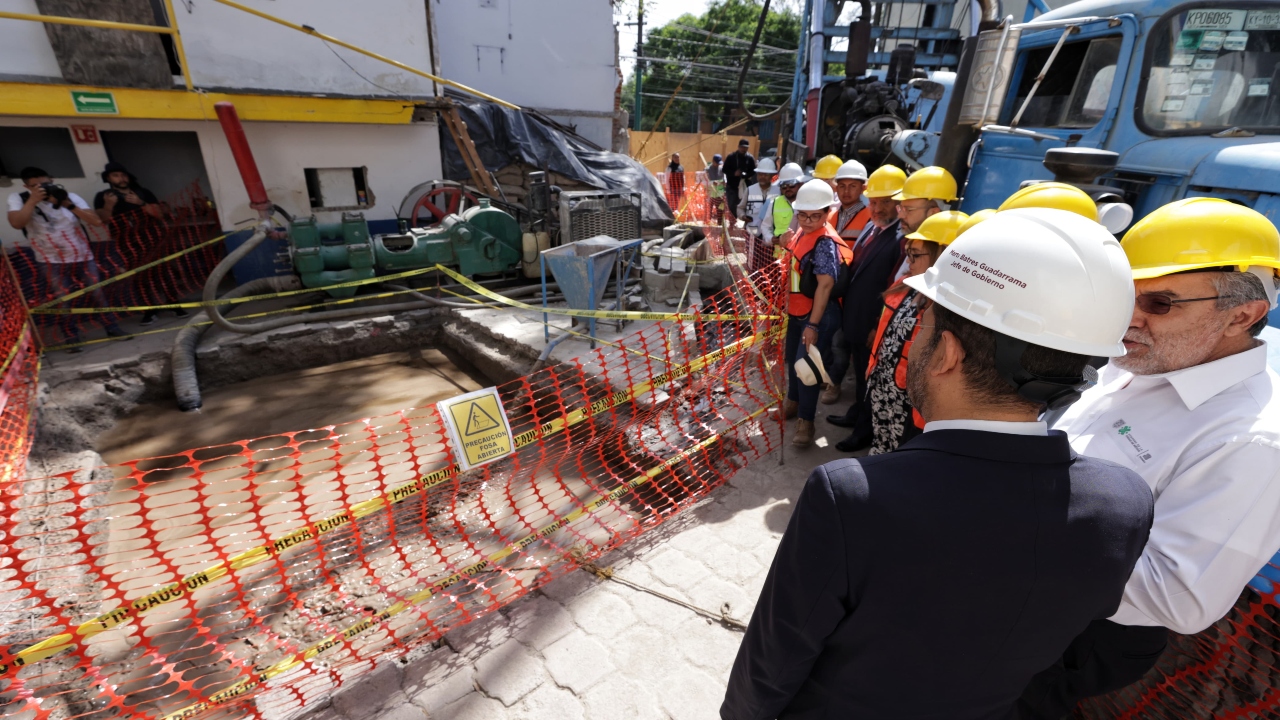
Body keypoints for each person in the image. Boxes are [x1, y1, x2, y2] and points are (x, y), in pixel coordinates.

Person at [723, 208, 1153, 720]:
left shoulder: (851, 500)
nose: (913, 340)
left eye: (921, 327)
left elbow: (773, 662)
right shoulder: (1125, 504)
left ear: (946, 353)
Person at [1018, 198, 1280, 717]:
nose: (1129, 319)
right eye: (1127, 296)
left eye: (1159, 304)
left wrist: (1019, 527)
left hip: (1074, 636)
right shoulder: (1157, 357)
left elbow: (1177, 597)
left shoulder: (1252, 441)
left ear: (1243, 315)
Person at [863, 210, 967, 454]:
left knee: (902, 452)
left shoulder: (948, 308)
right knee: (882, 442)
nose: (908, 261)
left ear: (941, 256)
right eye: (907, 252)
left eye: (915, 254)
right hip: (884, 384)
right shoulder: (907, 285)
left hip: (909, 398)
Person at [825, 165, 908, 445]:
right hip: (855, 316)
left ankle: (863, 432)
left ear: (899, 204)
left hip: (872, 322)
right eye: (874, 201)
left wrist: (876, 326)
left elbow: (892, 289)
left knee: (869, 378)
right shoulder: (872, 227)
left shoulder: (900, 240)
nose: (878, 208)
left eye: (886, 202)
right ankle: (856, 414)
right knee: (860, 375)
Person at [7, 166, 125, 350]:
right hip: (50, 260)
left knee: (98, 294)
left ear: (52, 180)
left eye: (45, 184)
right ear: (26, 187)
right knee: (64, 300)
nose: (42, 188)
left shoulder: (69, 197)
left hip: (83, 256)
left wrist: (68, 204)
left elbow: (96, 221)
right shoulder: (19, 199)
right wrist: (33, 200)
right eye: (34, 185)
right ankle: (71, 337)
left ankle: (112, 327)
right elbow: (16, 223)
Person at [781, 179, 853, 448]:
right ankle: (793, 402)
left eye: (815, 216)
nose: (808, 220)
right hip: (797, 312)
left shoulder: (824, 243)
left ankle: (806, 422)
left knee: (807, 370)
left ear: (826, 214)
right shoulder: (800, 233)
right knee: (793, 361)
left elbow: (825, 285)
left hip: (817, 316)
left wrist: (812, 325)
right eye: (803, 215)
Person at [890, 165, 958, 282]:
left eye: (909, 210)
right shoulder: (913, 244)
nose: (900, 215)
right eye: (901, 208)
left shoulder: (943, 257)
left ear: (933, 213)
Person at [94, 162, 161, 222]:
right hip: (123, 234)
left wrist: (141, 202)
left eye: (124, 175)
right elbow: (103, 221)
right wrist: (108, 205)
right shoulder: (103, 196)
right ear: (108, 178)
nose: (121, 178)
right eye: (115, 175)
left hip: (150, 233)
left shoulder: (144, 192)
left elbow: (160, 215)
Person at [761, 163, 804, 254]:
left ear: (800, 184)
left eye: (791, 185)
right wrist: (771, 239)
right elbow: (765, 226)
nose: (787, 188)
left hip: (801, 255)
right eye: (784, 185)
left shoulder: (808, 203)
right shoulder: (774, 203)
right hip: (780, 257)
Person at [739, 156, 777, 235]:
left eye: (766, 175)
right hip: (752, 232)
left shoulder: (778, 191)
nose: (762, 177)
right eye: (760, 174)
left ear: (771, 175)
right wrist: (743, 216)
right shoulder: (750, 190)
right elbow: (740, 208)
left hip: (770, 234)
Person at [722, 139, 756, 221]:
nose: (743, 149)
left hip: (745, 185)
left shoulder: (750, 158)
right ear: (738, 147)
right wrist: (734, 173)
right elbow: (724, 169)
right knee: (732, 204)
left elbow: (753, 171)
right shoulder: (731, 157)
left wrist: (746, 175)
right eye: (742, 147)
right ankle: (732, 223)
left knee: (746, 204)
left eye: (745, 148)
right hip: (732, 186)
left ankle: (746, 223)